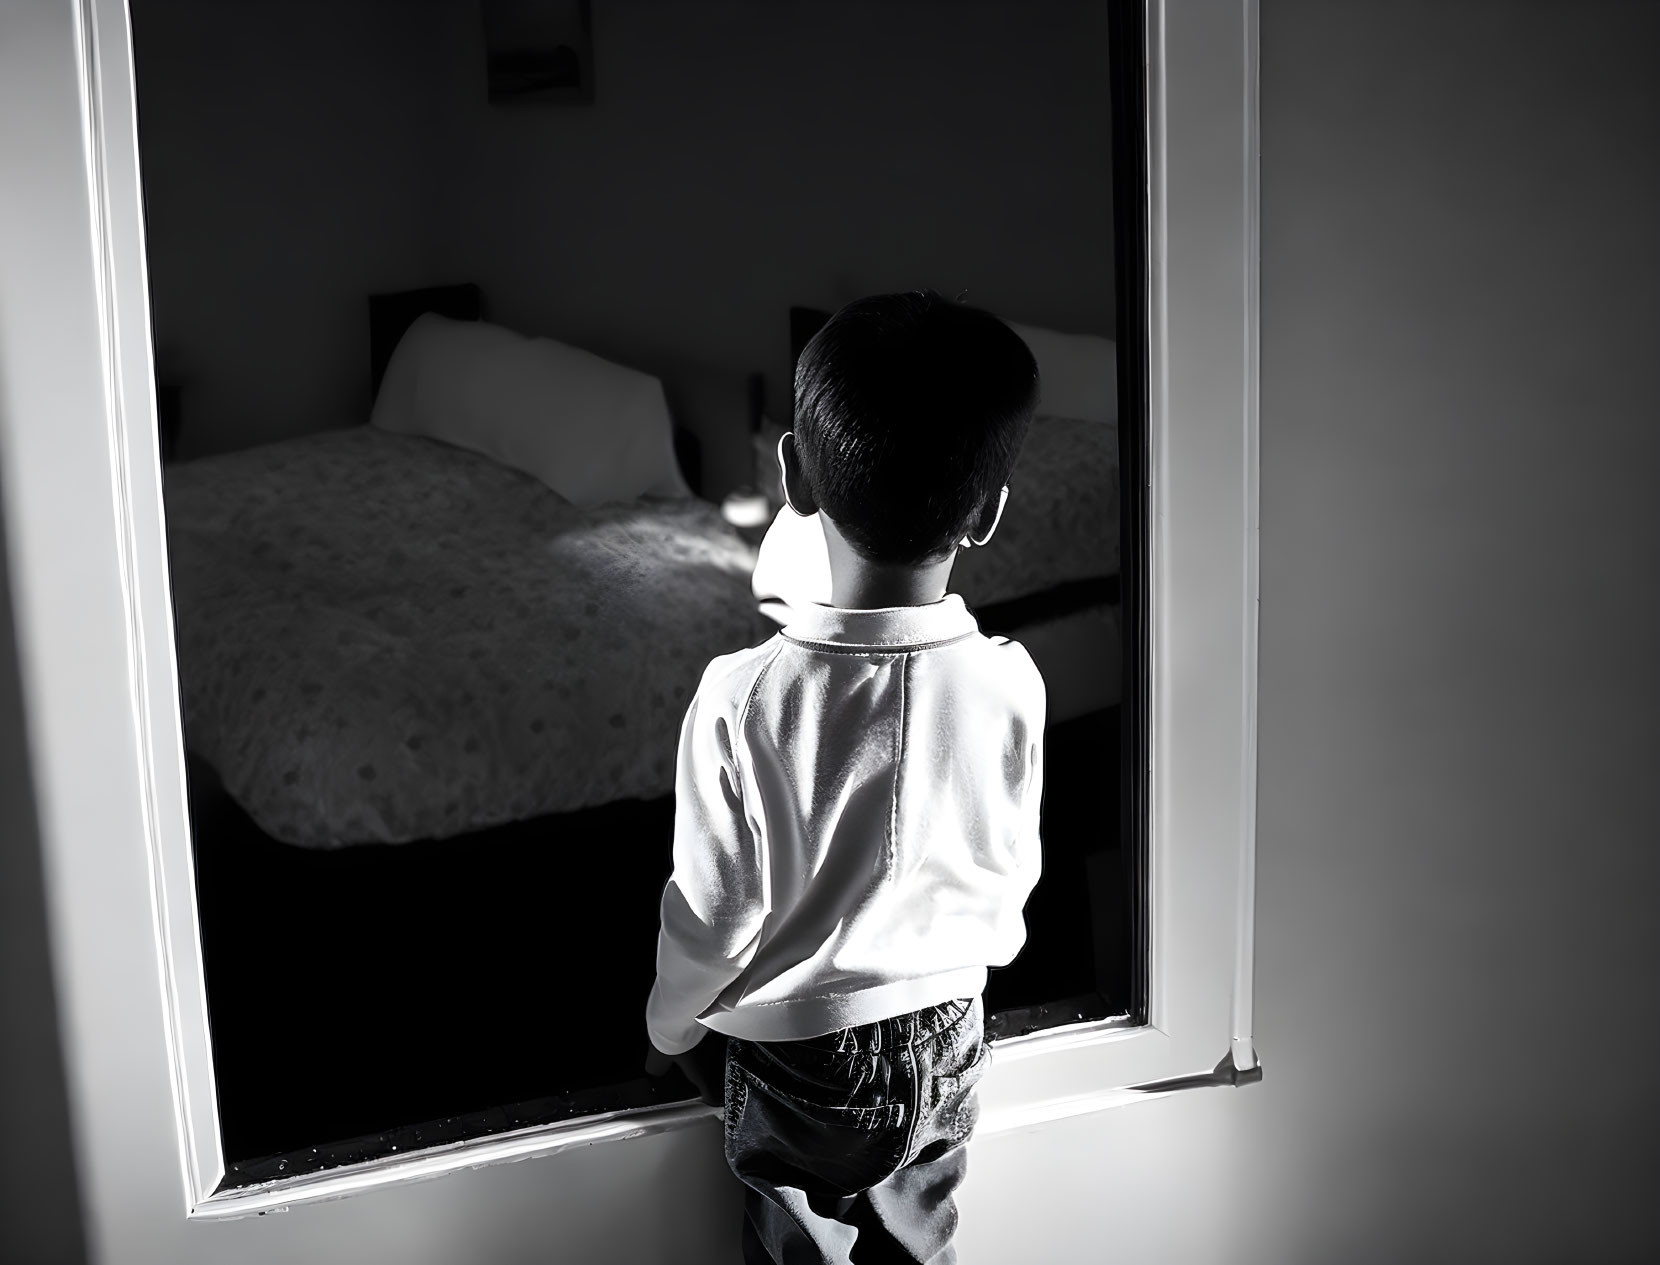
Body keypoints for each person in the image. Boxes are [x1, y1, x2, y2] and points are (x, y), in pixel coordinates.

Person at [644, 290, 1046, 1264]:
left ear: (792, 472)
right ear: (989, 510)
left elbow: (716, 911)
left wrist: (669, 1022)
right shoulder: (1008, 678)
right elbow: (1010, 874)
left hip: (803, 1057)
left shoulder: (743, 696)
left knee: (799, 1252)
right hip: (949, 1025)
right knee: (920, 1246)